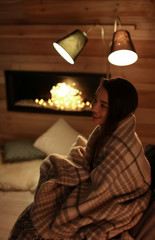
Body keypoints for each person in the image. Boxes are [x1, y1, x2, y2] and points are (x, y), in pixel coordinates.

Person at [9, 78, 151, 240]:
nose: (94, 107)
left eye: (103, 105)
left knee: (40, 218)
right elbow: (93, 162)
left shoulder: (121, 146)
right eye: (95, 100)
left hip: (125, 199)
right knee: (52, 165)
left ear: (118, 111)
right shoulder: (107, 130)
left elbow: (100, 193)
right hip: (102, 183)